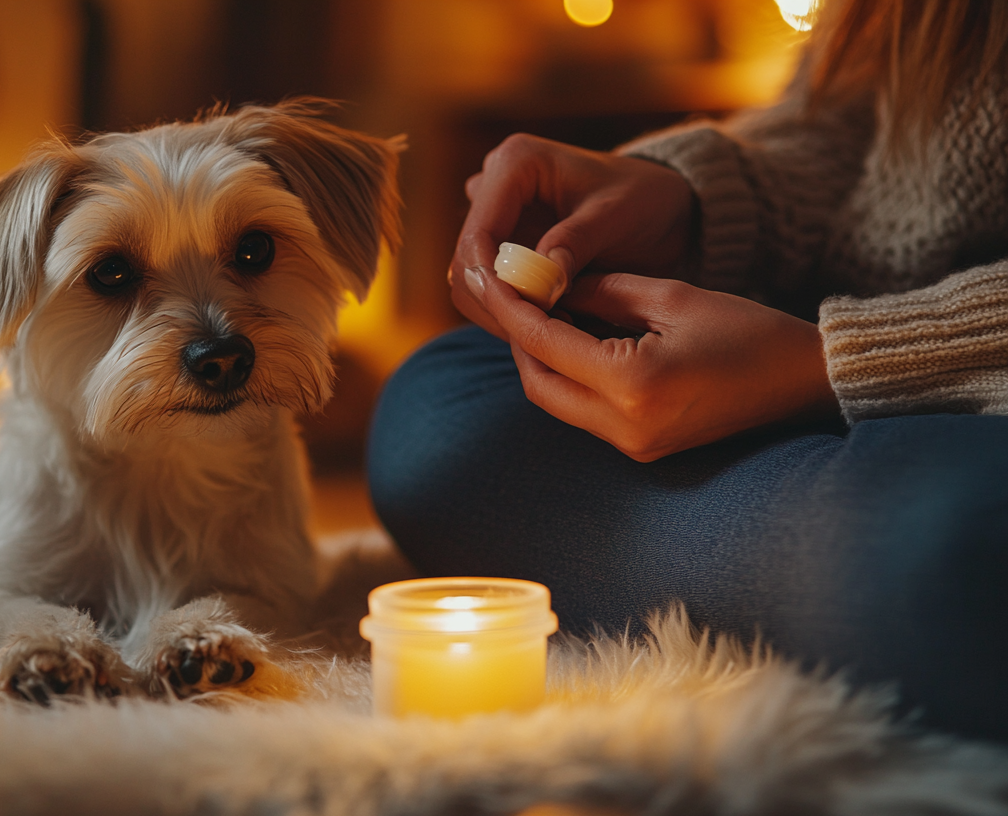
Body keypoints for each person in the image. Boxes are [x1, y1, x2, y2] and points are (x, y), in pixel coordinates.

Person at [368, 0, 1008, 742]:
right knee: (439, 418)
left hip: (946, 449)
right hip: (875, 373)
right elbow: (858, 129)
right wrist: (693, 198)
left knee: (949, 548)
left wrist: (830, 362)